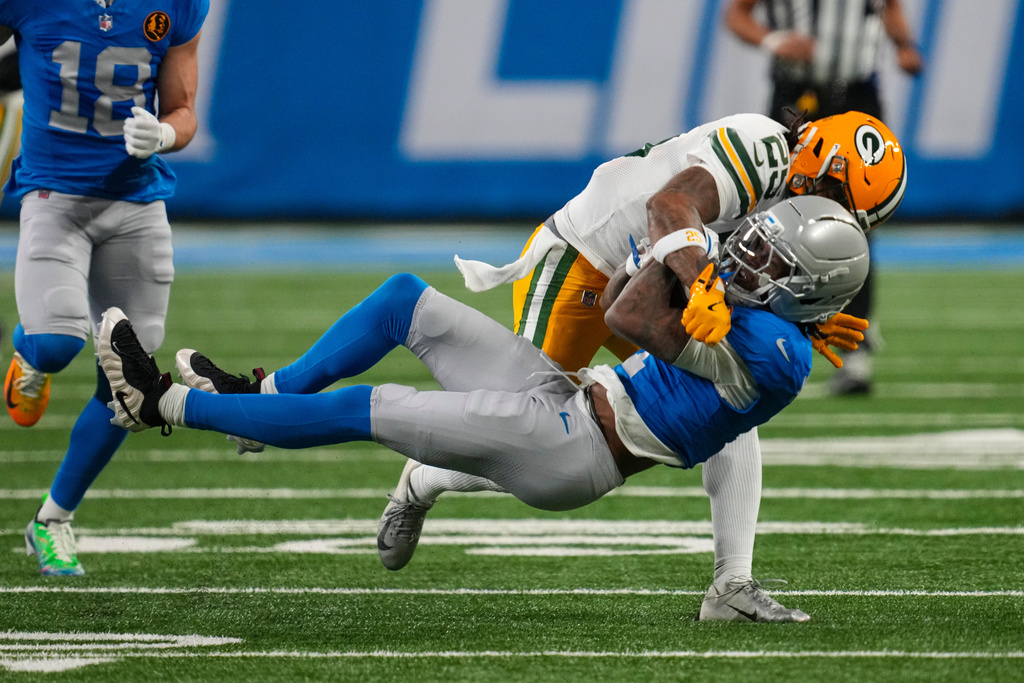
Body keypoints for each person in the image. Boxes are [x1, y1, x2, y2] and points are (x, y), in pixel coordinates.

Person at [97, 196, 871, 623]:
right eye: (756, 242)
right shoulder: (763, 310)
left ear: (804, 293)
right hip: (574, 396)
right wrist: (686, 251)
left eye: (770, 260)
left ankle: (160, 402)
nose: (746, 256)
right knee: (406, 300)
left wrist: (672, 259)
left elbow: (630, 316)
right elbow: (675, 227)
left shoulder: (777, 351)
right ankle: (269, 402)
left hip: (572, 450)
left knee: (366, 407)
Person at [366, 109, 904, 622]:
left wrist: (801, 317)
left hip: (657, 280)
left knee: (734, 410)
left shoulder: (793, 200)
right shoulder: (762, 149)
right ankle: (423, 479)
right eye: (835, 195)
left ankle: (731, 585)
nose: (831, 213)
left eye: (848, 213)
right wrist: (701, 287)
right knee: (530, 436)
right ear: (818, 156)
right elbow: (669, 206)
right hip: (581, 263)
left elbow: (747, 274)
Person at [1, 1, 210, 576]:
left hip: (137, 204)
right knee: (56, 344)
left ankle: (52, 520)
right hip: (54, 197)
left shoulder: (173, 6)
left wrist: (166, 133)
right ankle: (28, 351)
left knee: (132, 390)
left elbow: (185, 111)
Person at [725, 0, 924, 395]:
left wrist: (903, 44)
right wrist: (774, 40)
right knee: (774, 214)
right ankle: (754, 335)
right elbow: (736, 15)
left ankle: (856, 352)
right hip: (798, 96)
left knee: (855, 219)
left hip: (856, 97)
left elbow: (889, 8)